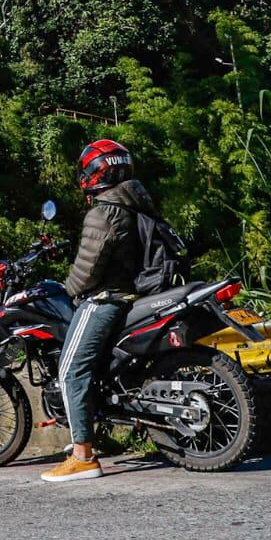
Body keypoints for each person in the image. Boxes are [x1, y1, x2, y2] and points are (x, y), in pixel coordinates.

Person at [40, 138, 161, 483]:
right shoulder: (134, 202)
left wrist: (68, 290)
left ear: (96, 172)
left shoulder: (104, 210)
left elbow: (87, 269)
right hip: (132, 295)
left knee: (70, 371)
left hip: (105, 299)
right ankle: (94, 433)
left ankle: (83, 456)